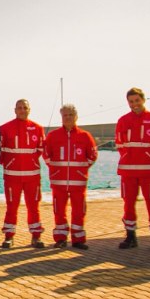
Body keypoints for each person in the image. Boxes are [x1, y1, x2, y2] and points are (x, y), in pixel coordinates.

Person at [115, 88, 150, 252]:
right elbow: (120, 144)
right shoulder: (123, 120)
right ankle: (130, 236)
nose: (134, 104)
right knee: (128, 204)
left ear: (143, 100)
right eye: (131, 101)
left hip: (149, 170)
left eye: (137, 100)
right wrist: (129, 158)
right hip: (128, 171)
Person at [43, 104, 98, 250]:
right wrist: (54, 170)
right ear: (61, 117)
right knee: (59, 211)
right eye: (65, 115)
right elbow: (46, 154)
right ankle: (60, 238)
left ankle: (78, 239)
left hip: (78, 182)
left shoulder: (85, 136)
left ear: (76, 116)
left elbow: (92, 155)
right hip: (58, 182)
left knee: (79, 211)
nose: (68, 118)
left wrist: (81, 170)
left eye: (70, 115)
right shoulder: (53, 136)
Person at [0, 99, 46, 249]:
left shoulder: (37, 128)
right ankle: (9, 236)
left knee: (34, 207)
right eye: (19, 108)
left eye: (25, 107)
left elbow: (40, 150)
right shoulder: (5, 128)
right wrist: (10, 163)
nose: (22, 110)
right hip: (12, 176)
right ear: (15, 110)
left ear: (29, 109)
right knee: (11, 206)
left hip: (32, 176)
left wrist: (29, 162)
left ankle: (36, 236)